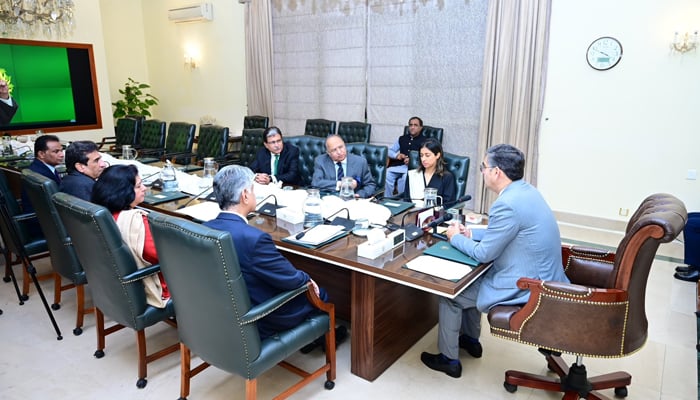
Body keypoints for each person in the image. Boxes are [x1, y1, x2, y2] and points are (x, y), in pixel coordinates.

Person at [420, 144, 569, 378]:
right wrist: (472, 233)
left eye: (484, 167)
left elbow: (483, 254)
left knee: (450, 293)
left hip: (529, 288)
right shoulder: (526, 191)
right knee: (474, 279)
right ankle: (471, 340)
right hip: (546, 278)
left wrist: (455, 237)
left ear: (497, 172)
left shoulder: (506, 204)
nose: (482, 172)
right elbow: (506, 231)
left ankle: (448, 359)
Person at [204, 165, 346, 343]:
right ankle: (322, 340)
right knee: (319, 292)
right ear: (245, 196)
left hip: (226, 309)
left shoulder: (206, 227)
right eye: (253, 191)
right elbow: (292, 279)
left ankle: (313, 339)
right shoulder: (254, 239)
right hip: (261, 314)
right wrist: (308, 279)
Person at [91, 165, 170, 308]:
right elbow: (160, 256)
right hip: (148, 286)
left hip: (113, 284)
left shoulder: (103, 214)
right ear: (123, 192)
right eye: (139, 186)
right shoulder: (135, 221)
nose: (145, 188)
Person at [311, 134, 376, 198]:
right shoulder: (320, 161)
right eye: (334, 150)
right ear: (328, 153)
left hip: (352, 201)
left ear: (344, 145)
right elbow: (316, 183)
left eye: (340, 147)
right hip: (329, 200)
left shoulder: (360, 162)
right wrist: (340, 184)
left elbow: (370, 185)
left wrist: (359, 195)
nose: (339, 152)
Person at [402, 138, 456, 205]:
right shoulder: (413, 175)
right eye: (421, 155)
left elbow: (449, 204)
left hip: (436, 214)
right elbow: (407, 200)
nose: (423, 159)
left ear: (437, 155)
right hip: (412, 213)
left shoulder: (447, 177)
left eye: (427, 155)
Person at [385, 117, 427, 197]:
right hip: (398, 166)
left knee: (405, 179)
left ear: (421, 128)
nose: (412, 127)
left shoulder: (425, 141)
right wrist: (397, 155)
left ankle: (402, 200)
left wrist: (413, 160)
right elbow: (389, 150)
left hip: (414, 168)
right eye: (410, 125)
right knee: (387, 174)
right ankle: (387, 198)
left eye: (415, 125)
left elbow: (427, 156)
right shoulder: (402, 138)